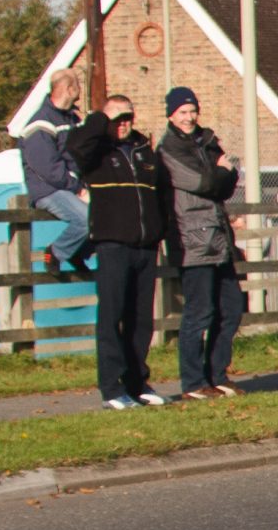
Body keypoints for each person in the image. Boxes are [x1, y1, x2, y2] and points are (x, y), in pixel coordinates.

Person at [66, 96, 170, 409]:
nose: (123, 124)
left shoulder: (143, 152)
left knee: (140, 320)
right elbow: (76, 147)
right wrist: (100, 119)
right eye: (117, 118)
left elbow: (161, 194)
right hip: (113, 244)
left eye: (128, 117)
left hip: (144, 246)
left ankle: (138, 382)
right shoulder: (96, 150)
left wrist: (159, 232)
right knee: (111, 317)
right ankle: (111, 388)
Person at [159, 87, 247, 400]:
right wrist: (222, 170)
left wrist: (222, 174)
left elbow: (225, 186)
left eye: (192, 110)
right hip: (192, 239)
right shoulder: (169, 150)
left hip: (218, 237)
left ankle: (217, 374)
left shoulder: (206, 141)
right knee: (198, 312)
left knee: (231, 306)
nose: (189, 117)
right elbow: (203, 183)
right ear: (171, 114)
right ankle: (193, 382)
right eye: (182, 112)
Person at [20, 69, 92, 276]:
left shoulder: (72, 119)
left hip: (71, 186)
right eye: (77, 85)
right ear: (69, 89)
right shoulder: (40, 123)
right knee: (87, 219)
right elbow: (48, 169)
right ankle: (56, 252)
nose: (80, 89)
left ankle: (78, 252)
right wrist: (78, 189)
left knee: (104, 217)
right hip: (49, 189)